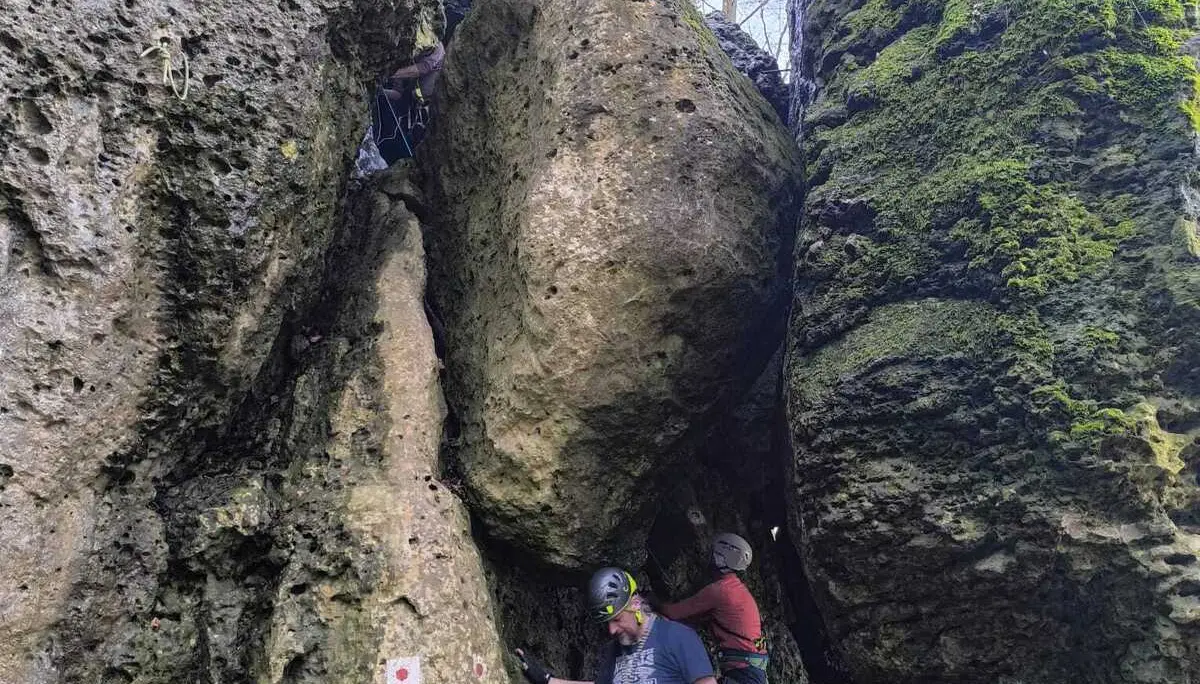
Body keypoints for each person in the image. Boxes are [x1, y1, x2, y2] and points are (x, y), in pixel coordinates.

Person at [516, 567, 719, 684]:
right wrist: (547, 680)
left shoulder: (679, 638)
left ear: (636, 604)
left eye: (617, 619)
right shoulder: (614, 651)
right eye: (607, 623)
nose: (611, 630)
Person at [658, 534, 769, 684]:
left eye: (714, 553)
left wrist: (653, 602)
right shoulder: (738, 590)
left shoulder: (719, 591)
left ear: (721, 558)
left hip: (743, 673)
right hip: (753, 671)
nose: (709, 557)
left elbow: (674, 613)